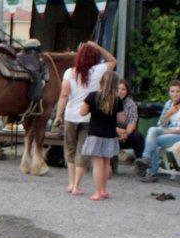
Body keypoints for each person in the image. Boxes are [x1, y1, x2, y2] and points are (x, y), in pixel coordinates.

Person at [54, 40, 116, 195]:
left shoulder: (69, 72)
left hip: (70, 116)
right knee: (82, 151)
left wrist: (58, 115)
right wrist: (97, 47)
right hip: (88, 117)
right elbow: (113, 60)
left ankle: (70, 183)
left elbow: (64, 95)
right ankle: (77, 185)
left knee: (70, 149)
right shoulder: (99, 70)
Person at [79, 71, 123, 201]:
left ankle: (97, 193)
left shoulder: (92, 96)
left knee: (97, 165)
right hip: (110, 135)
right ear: (115, 85)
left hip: (95, 134)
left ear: (101, 82)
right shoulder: (117, 100)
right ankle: (103, 190)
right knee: (106, 164)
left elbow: (82, 112)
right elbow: (121, 119)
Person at [135, 79, 180, 182]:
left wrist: (167, 131)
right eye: (172, 91)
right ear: (169, 92)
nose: (175, 94)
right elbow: (161, 124)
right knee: (152, 130)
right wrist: (169, 113)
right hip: (168, 132)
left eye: (178, 91)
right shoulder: (169, 104)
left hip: (177, 135)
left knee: (153, 139)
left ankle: (151, 171)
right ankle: (146, 159)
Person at [114, 78, 144, 164]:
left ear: (127, 91)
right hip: (112, 131)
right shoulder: (109, 101)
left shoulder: (130, 104)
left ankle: (140, 162)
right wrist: (117, 130)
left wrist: (125, 134)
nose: (120, 91)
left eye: (123, 89)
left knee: (138, 136)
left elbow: (132, 122)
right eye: (118, 89)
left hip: (126, 133)